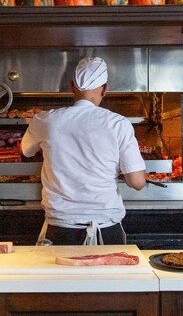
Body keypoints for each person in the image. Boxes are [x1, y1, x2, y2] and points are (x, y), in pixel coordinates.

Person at [21, 57, 146, 246]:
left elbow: (26, 151)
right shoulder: (119, 124)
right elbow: (137, 182)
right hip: (106, 228)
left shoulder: (45, 120)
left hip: (60, 229)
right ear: (105, 89)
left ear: (72, 87)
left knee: (60, 276)